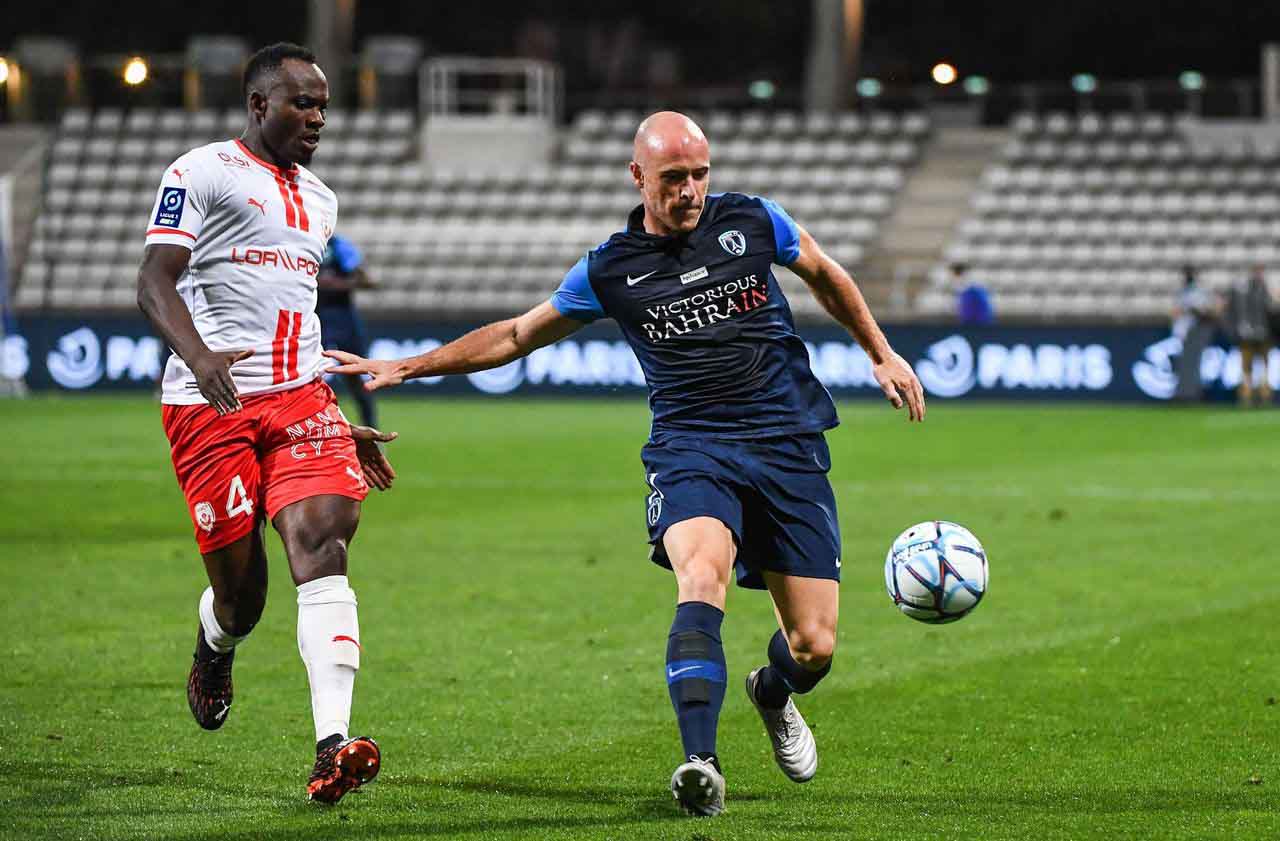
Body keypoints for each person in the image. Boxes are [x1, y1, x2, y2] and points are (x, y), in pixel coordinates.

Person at [326, 111, 926, 817]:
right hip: (691, 445)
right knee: (700, 574)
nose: (692, 191)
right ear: (637, 177)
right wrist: (412, 365)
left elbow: (826, 273)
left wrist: (879, 351)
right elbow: (520, 332)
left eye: (701, 174)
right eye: (675, 178)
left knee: (815, 645)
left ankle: (772, 690)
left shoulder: (756, 222)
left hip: (788, 440)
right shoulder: (611, 268)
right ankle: (700, 762)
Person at [135, 42, 399, 804]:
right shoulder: (201, 171)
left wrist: (334, 415)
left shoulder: (321, 199)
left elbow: (298, 313)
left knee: (324, 545)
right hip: (209, 404)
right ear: (258, 105)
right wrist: (201, 355)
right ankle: (215, 647)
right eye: (301, 103)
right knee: (241, 597)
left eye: (322, 105)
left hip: (299, 401)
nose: (317, 117)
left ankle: (331, 743)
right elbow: (153, 281)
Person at [317, 233, 378, 426]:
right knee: (314, 378)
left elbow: (368, 280)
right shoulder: (303, 241)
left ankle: (371, 430)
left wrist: (336, 285)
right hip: (316, 320)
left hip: (344, 320)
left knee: (357, 377)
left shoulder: (339, 245)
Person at [1225, 265, 1274, 407]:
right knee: (1247, 367)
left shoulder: (1260, 290)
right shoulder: (1248, 290)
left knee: (1263, 367)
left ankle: (1262, 396)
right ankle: (1247, 396)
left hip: (1262, 334)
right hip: (1251, 335)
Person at [1171, 265, 1217, 403]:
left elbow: (1204, 310)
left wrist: (1192, 310)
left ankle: (1191, 394)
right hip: (1184, 331)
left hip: (1195, 330)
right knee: (1185, 364)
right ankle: (1185, 393)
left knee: (1192, 363)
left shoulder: (1198, 291)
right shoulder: (1183, 292)